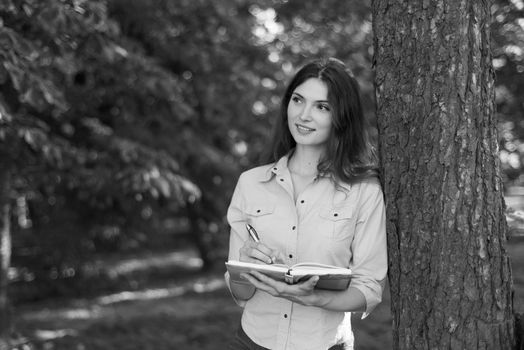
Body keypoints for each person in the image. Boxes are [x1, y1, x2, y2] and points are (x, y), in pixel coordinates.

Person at [225, 57, 387, 350]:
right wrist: (245, 268)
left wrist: (314, 298)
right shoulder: (250, 184)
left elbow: (369, 287)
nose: (304, 115)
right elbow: (241, 292)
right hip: (252, 341)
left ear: (342, 117)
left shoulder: (365, 191)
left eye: (322, 107)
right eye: (298, 100)